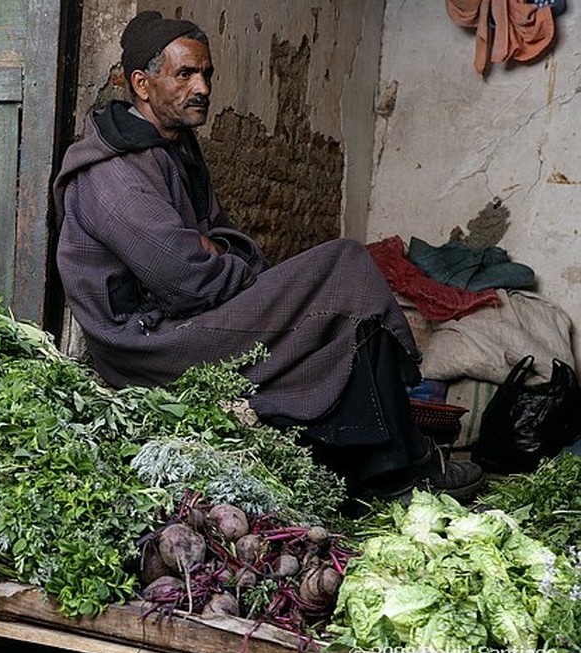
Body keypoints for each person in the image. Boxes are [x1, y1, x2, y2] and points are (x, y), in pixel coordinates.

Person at [52, 10, 483, 504]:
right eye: (185, 74)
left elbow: (228, 237)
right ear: (142, 85)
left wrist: (220, 251)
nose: (203, 88)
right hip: (147, 342)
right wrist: (219, 256)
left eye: (207, 74)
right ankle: (402, 470)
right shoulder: (115, 172)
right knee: (344, 267)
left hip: (185, 312)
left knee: (342, 298)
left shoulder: (173, 148)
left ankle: (390, 466)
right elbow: (188, 278)